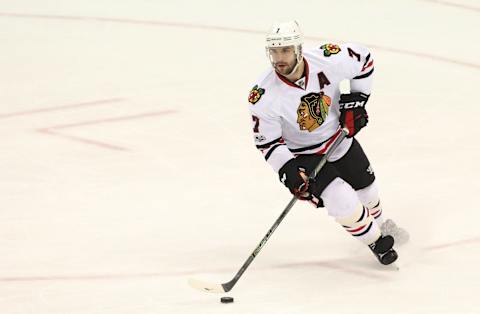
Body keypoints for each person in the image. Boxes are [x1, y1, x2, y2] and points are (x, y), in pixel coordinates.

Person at [247, 20, 408, 265]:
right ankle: (377, 242)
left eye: (286, 50)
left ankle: (380, 223)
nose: (279, 58)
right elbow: (268, 142)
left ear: (299, 49)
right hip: (302, 154)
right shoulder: (263, 95)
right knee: (341, 198)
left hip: (338, 136)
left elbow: (363, 59)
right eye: (275, 51)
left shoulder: (327, 59)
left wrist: (357, 100)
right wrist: (288, 169)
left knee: (367, 188)